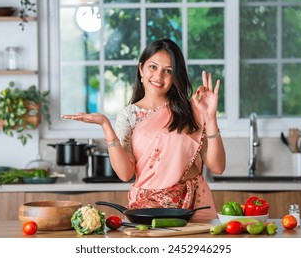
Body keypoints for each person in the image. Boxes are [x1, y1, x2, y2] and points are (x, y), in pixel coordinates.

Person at [62, 38, 226, 219]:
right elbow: (125, 174)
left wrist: (210, 118)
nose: (158, 76)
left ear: (175, 76)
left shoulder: (191, 111)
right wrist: (105, 125)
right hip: (148, 210)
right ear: (141, 69)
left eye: (168, 71)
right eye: (153, 67)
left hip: (194, 209)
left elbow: (217, 167)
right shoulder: (129, 115)